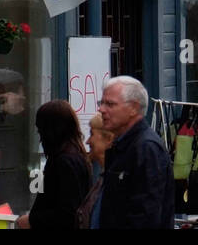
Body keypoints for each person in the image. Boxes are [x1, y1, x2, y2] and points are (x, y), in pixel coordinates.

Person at [96, 75, 174, 229]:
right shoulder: (122, 146)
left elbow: (146, 216)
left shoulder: (146, 149)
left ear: (133, 108)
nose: (101, 109)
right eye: (101, 103)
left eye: (110, 104)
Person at [17, 100, 91, 230]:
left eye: (41, 131)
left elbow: (67, 213)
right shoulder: (76, 157)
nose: (40, 138)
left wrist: (32, 221)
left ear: (51, 132)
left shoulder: (64, 162)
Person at [77, 112, 114, 229]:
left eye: (91, 134)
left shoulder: (116, 180)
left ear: (108, 139)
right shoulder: (103, 177)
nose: (87, 141)